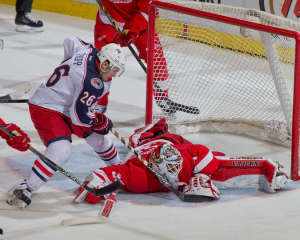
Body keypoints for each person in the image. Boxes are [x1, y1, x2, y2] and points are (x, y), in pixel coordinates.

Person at [6, 36, 126, 209]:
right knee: (61, 150)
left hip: (69, 104)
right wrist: (97, 122)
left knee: (101, 139)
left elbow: (70, 41)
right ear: (105, 63)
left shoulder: (89, 51)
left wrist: (67, 74)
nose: (115, 75)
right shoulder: (92, 81)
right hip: (47, 107)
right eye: (114, 70)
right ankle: (26, 188)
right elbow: (79, 118)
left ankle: (121, 172)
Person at [74, 118, 291, 212]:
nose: (174, 174)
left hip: (172, 142)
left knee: (215, 165)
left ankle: (269, 168)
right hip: (150, 142)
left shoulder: (185, 155)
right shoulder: (142, 176)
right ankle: (266, 168)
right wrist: (94, 187)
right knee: (214, 167)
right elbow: (109, 174)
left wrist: (202, 175)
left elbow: (208, 156)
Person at [94, 0, 173, 113]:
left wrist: (133, 30)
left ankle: (164, 100)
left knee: (156, 61)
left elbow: (149, 11)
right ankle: (98, 102)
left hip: (138, 22)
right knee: (101, 63)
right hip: (108, 20)